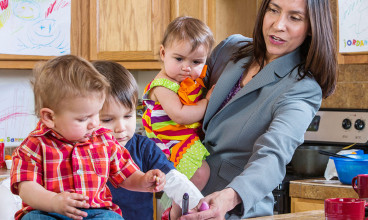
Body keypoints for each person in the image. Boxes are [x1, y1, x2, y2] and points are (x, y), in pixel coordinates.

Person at [181, 0, 337, 219]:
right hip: (181, 196)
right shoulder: (230, 49)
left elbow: (273, 155)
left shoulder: (302, 88)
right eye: (273, 10)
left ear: (311, 27)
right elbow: (181, 83)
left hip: (232, 210)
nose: (278, 24)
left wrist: (230, 197)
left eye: (294, 17)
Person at [9, 55, 166, 220]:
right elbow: (26, 188)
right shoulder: (33, 145)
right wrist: (54, 201)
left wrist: (143, 181)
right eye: (83, 118)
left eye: (96, 114)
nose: (94, 124)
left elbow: (125, 174)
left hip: (96, 213)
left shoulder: (104, 140)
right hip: (47, 212)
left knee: (112, 218)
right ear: (49, 117)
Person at [93, 60, 204, 220]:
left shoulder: (144, 148)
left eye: (128, 116)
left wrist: (199, 204)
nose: (121, 128)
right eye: (108, 119)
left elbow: (173, 179)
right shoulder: (81, 151)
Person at [142, 16, 214, 189]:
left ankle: (180, 209)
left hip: (182, 140)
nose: (186, 67)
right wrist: (207, 102)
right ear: (163, 53)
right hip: (170, 147)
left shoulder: (185, 83)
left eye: (196, 62)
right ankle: (178, 212)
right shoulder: (163, 85)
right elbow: (181, 115)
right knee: (200, 174)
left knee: (199, 175)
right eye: (179, 59)